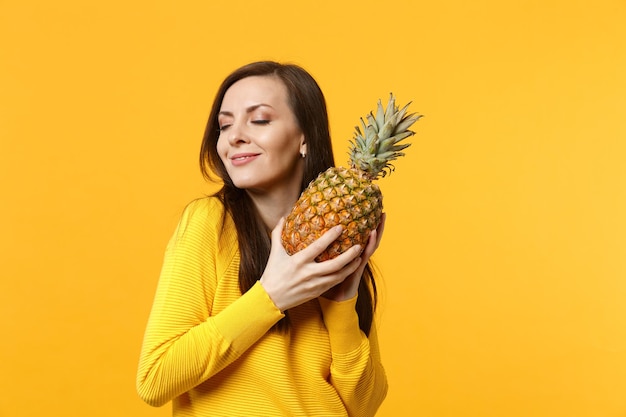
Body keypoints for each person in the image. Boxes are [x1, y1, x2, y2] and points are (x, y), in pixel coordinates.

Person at [136, 61, 388, 417]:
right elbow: (155, 377)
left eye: (259, 120)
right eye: (225, 125)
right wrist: (271, 296)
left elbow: (363, 407)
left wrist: (342, 300)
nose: (234, 136)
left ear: (305, 137)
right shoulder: (210, 223)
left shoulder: (340, 243)